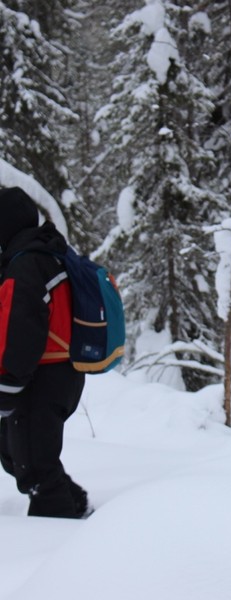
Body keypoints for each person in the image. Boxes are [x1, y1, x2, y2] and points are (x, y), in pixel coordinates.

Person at [0, 187, 91, 519]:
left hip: (41, 375)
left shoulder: (27, 264)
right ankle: (77, 505)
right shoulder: (48, 253)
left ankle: (53, 542)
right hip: (62, 373)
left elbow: (21, 328)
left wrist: (8, 382)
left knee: (35, 465)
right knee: (18, 455)